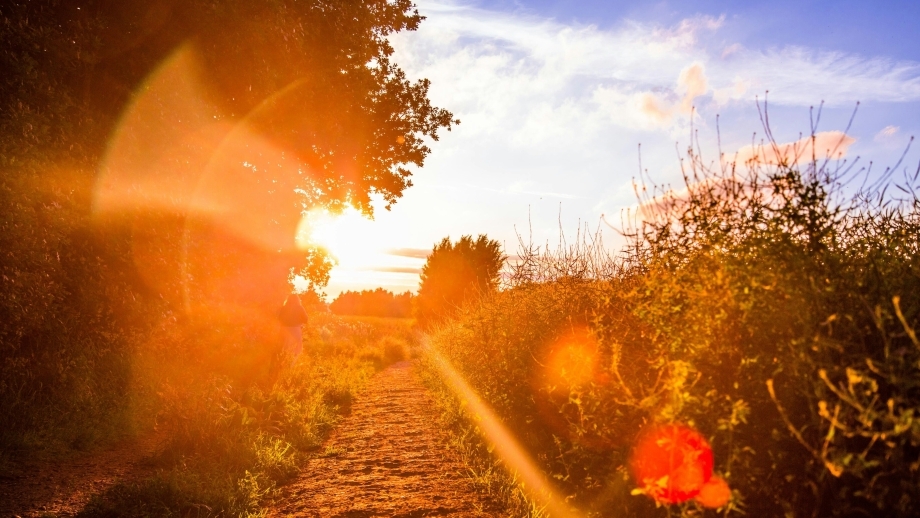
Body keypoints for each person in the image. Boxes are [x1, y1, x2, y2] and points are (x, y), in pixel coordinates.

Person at [278, 293, 309, 358]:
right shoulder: (300, 308)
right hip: (295, 330)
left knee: (284, 347)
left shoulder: (283, 308)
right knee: (296, 349)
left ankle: (281, 363)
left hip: (284, 330)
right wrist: (299, 321)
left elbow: (279, 319)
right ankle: (291, 365)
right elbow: (306, 319)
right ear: (298, 300)